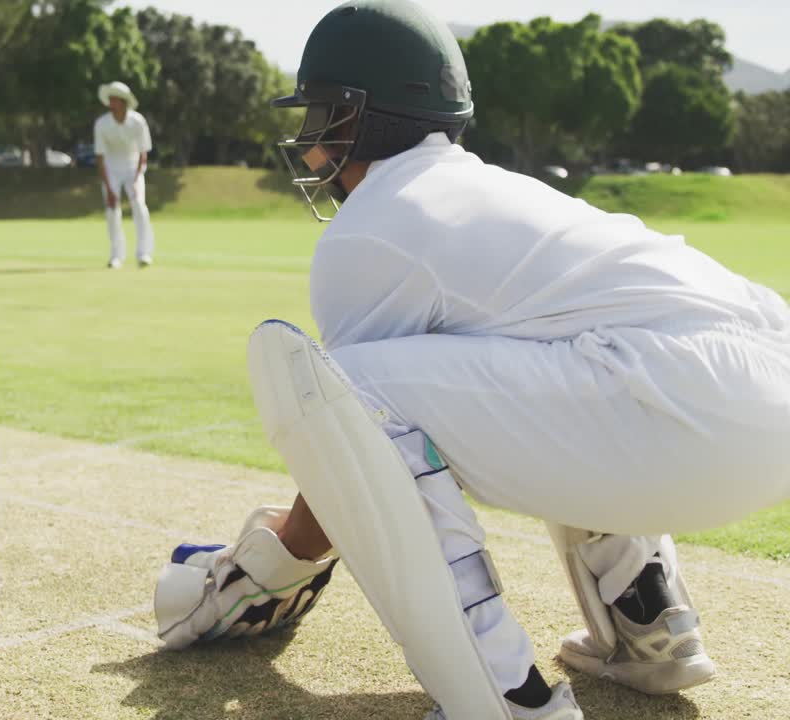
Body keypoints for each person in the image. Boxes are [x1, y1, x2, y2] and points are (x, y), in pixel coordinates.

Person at [151, 1, 790, 719]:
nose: (308, 148)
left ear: (358, 118)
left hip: (677, 404)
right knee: (545, 354)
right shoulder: (493, 189)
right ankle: (650, 626)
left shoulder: (370, 230)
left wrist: (262, 569)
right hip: (761, 395)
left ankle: (506, 699)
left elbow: (356, 438)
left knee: (334, 386)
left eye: (319, 117)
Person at [95, 81, 155, 269]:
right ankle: (116, 256)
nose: (112, 103)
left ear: (124, 102)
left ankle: (143, 253)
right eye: (110, 99)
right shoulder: (102, 124)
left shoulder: (138, 122)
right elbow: (100, 158)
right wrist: (109, 189)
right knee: (112, 210)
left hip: (133, 166)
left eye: (115, 100)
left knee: (139, 205)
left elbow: (143, 153)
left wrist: (137, 179)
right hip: (111, 167)